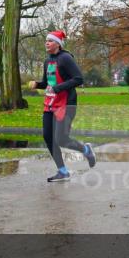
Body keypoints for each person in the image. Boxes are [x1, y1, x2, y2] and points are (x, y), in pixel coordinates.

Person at [28, 30, 96, 182]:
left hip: (66, 103)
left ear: (58, 44)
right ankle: (62, 171)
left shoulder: (65, 58)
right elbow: (48, 83)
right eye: (46, 40)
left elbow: (78, 79)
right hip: (50, 104)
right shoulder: (47, 61)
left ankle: (86, 150)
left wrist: (58, 88)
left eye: (50, 41)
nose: (47, 43)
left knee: (61, 138)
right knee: (48, 137)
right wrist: (38, 84)